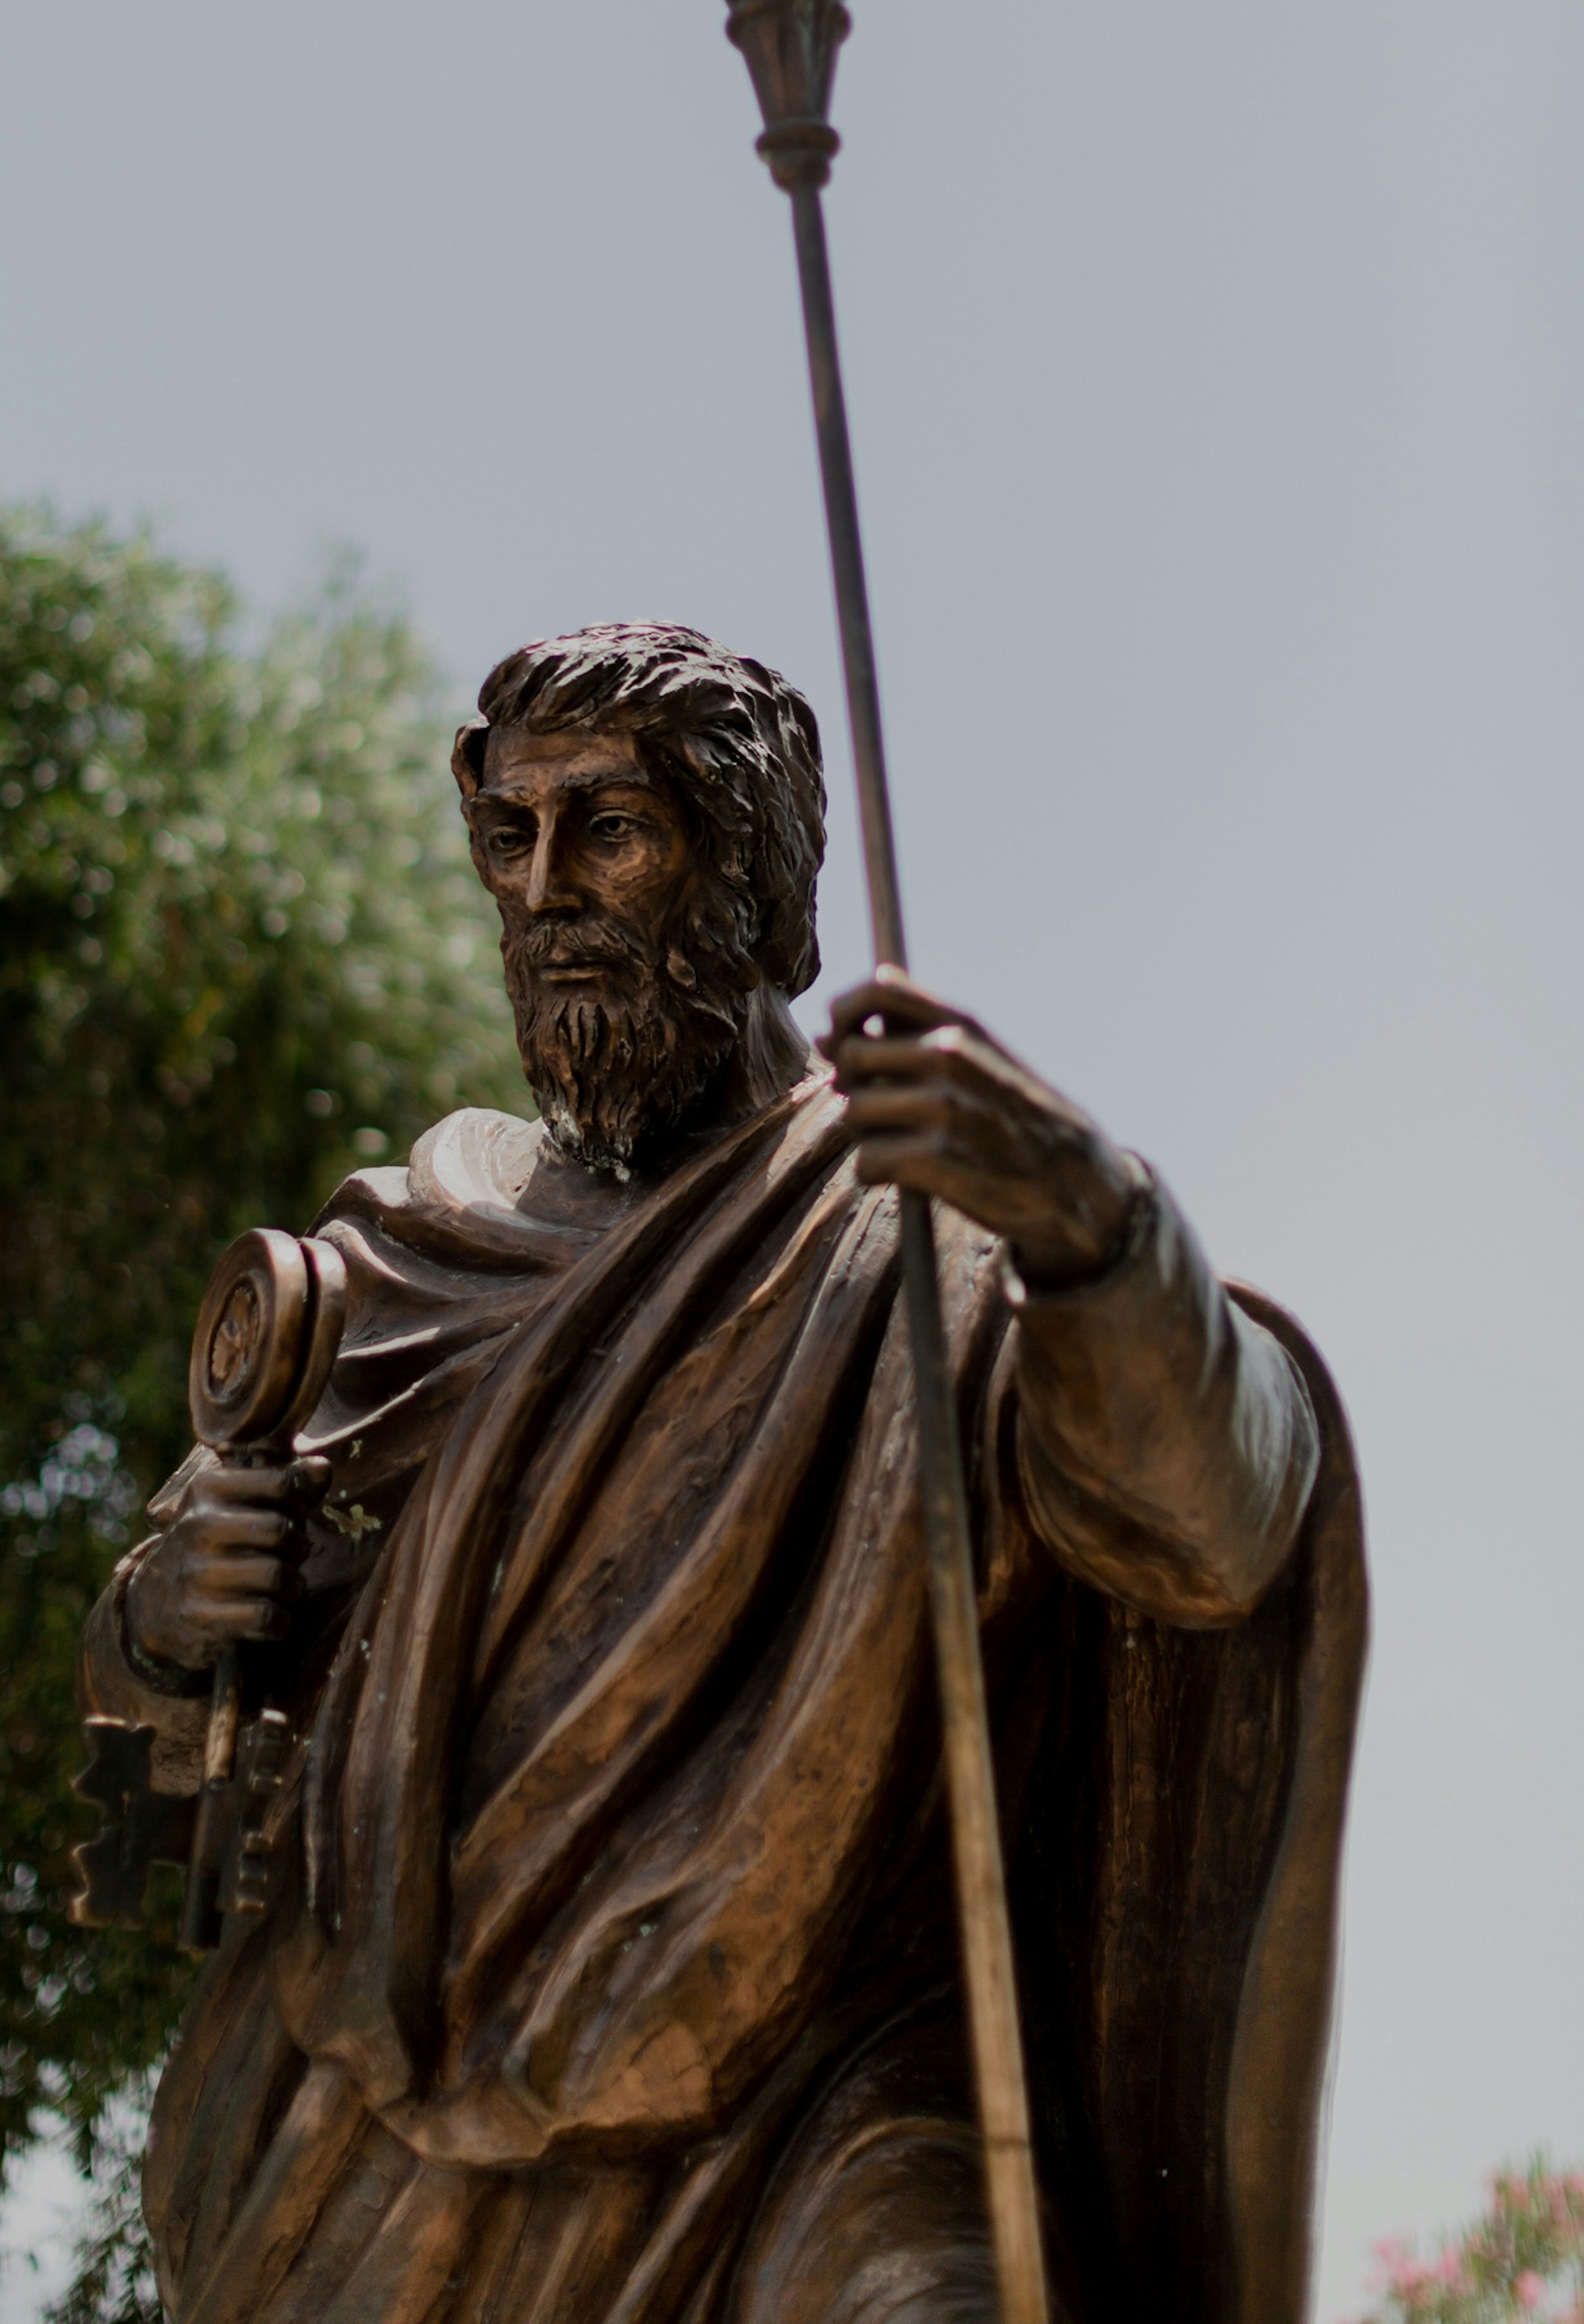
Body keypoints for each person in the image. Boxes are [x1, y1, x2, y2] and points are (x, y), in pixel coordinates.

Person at [80, 623, 1366, 2324]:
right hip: (372, 2161)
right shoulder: (390, 1265)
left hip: (816, 2118)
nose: (546, 891)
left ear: (763, 890)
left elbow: (1222, 1535)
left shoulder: (924, 1246)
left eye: (611, 830)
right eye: (508, 838)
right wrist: (164, 1641)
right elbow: (145, 1871)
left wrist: (1102, 1235)